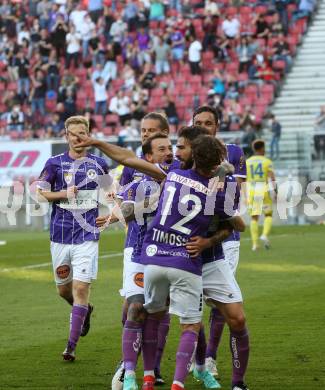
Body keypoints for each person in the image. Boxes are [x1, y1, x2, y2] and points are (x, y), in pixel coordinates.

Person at [141, 134, 245, 390]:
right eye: (178, 146)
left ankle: (236, 382)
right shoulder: (175, 169)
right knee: (176, 317)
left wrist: (208, 242)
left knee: (237, 319)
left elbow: (233, 226)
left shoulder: (226, 183)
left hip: (210, 258)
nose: (177, 151)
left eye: (180, 147)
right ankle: (134, 369)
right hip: (180, 258)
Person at [37, 116, 110, 361]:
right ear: (66, 136)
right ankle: (85, 311)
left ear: (88, 135)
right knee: (63, 291)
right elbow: (41, 193)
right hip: (59, 235)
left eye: (83, 133)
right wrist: (62, 194)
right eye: (74, 134)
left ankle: (71, 346)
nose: (78, 138)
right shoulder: (54, 163)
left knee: (80, 287)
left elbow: (111, 194)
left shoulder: (99, 164)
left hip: (87, 233)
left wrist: (112, 212)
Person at [192, 106, 250, 390]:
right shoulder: (185, 153)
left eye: (208, 123)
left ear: (217, 125)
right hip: (189, 240)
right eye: (198, 123)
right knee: (188, 306)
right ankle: (192, 360)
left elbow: (232, 194)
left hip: (226, 239)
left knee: (221, 304)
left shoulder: (234, 152)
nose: (203, 127)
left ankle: (211, 358)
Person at [246, 139, 277, 251]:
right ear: (262, 148)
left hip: (251, 190)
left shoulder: (247, 162)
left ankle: (255, 245)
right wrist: (276, 192)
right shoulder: (266, 161)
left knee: (254, 218)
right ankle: (264, 235)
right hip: (262, 189)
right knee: (268, 214)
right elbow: (272, 178)